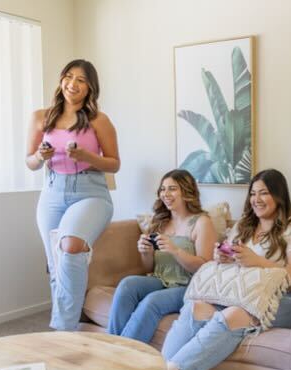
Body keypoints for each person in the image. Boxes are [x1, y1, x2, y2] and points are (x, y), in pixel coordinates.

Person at [159, 168, 291, 370]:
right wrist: (222, 258)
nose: (256, 199)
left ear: (279, 195)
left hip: (283, 301)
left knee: (233, 314)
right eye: (253, 193)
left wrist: (258, 262)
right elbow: (232, 266)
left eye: (263, 193)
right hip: (239, 294)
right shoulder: (242, 228)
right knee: (196, 306)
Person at [25, 59, 120, 331]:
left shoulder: (99, 121)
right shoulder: (41, 117)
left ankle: (63, 331)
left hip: (91, 191)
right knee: (56, 266)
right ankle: (64, 330)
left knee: (70, 245)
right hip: (53, 190)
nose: (73, 84)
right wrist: (39, 157)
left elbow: (114, 163)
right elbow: (29, 162)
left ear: (90, 88)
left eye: (81, 80)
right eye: (68, 76)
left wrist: (86, 156)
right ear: (61, 80)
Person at [107, 169, 217, 342]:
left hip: (189, 287)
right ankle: (112, 344)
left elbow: (205, 267)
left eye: (172, 188)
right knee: (127, 284)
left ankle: (124, 353)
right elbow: (149, 268)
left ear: (187, 192)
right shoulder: (160, 221)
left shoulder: (202, 222)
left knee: (152, 301)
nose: (166, 194)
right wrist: (146, 253)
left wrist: (176, 251)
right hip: (161, 280)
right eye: (163, 189)